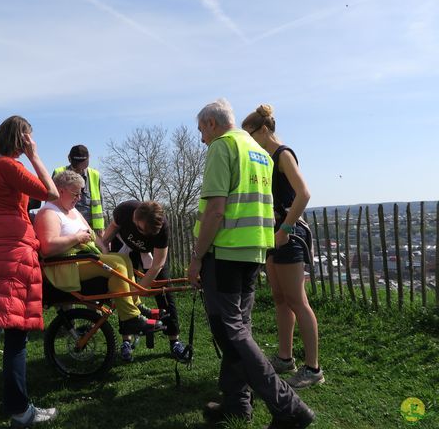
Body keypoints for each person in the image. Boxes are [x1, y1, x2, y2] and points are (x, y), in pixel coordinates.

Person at [188, 98, 314, 428]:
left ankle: (288, 407)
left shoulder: (222, 146)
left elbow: (216, 209)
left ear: (212, 124)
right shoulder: (259, 151)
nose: (201, 138)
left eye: (201, 130)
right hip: (254, 251)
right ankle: (238, 404)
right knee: (239, 328)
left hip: (225, 252)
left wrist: (197, 257)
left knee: (231, 332)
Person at [0, 116, 60, 426]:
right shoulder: (9, 165)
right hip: (15, 252)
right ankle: (20, 410)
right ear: (22, 139)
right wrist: (34, 156)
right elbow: (51, 192)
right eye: (29, 138)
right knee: (17, 333)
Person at [34, 170, 161, 353]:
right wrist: (76, 238)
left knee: (122, 258)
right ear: (60, 190)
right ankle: (131, 318)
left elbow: (92, 235)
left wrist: (104, 250)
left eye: (81, 193)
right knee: (116, 265)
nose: (79, 198)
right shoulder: (49, 213)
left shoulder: (71, 210)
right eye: (75, 193)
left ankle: (135, 305)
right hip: (63, 268)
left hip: (81, 260)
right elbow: (47, 248)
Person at [242, 104, 323, 389]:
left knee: (297, 300)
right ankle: (285, 357)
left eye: (249, 134)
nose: (248, 140)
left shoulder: (283, 154)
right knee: (279, 298)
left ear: (263, 130)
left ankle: (313, 369)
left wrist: (286, 229)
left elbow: (304, 193)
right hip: (271, 235)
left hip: (289, 235)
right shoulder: (264, 158)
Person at [103, 200, 190, 362]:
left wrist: (140, 289)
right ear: (134, 217)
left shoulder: (162, 227)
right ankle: (126, 341)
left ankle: (174, 340)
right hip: (123, 248)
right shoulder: (124, 210)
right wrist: (105, 253)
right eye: (140, 228)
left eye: (148, 233)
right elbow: (105, 238)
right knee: (124, 294)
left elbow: (158, 264)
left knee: (164, 292)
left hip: (150, 255)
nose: (143, 234)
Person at [53, 145, 104, 236]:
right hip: (66, 226)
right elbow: (51, 201)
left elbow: (100, 203)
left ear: (89, 159)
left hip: (91, 227)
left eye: (83, 165)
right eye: (76, 166)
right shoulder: (58, 173)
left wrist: (100, 228)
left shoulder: (95, 175)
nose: (80, 169)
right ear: (69, 159)